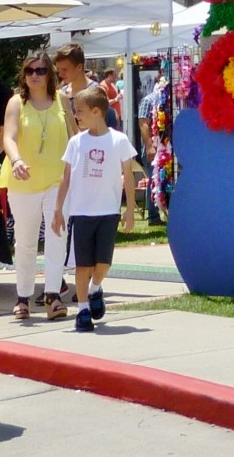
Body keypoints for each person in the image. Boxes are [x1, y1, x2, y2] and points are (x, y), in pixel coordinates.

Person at [51, 87, 138, 331]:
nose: (76, 116)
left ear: (96, 111)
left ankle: (95, 288)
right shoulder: (76, 142)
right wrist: (58, 209)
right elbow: (65, 177)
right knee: (82, 265)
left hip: (108, 211)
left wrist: (129, 209)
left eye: (79, 112)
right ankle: (82, 309)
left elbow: (128, 176)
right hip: (81, 212)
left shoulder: (119, 140)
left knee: (103, 263)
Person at [2, 49, 76, 320]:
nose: (34, 75)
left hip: (57, 179)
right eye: (29, 71)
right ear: (24, 74)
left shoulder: (61, 100)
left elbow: (73, 136)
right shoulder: (16, 103)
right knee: (25, 240)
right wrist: (17, 159)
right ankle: (23, 297)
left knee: (58, 235)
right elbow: (8, 137)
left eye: (40, 70)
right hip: (23, 180)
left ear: (49, 74)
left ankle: (53, 295)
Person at [54, 43, 118, 131]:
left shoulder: (96, 91)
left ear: (79, 67)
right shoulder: (62, 92)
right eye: (58, 70)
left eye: (65, 70)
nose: (60, 74)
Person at [137, 75, 165, 225]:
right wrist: (149, 146)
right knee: (152, 181)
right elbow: (143, 123)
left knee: (160, 179)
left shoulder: (165, 101)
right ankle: (153, 216)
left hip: (164, 147)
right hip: (153, 147)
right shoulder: (148, 100)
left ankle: (161, 212)